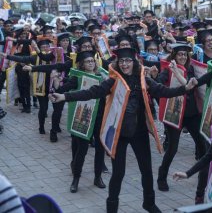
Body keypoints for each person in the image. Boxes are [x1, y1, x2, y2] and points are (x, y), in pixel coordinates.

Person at [50, 47, 198, 213]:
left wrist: (184, 89)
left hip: (140, 132)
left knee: (147, 171)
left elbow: (162, 91)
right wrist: (64, 96)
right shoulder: (113, 81)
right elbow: (92, 92)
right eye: (122, 61)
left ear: (134, 62)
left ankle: (149, 203)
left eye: (128, 61)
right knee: (118, 173)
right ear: (118, 63)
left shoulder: (143, 80)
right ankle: (111, 208)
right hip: (119, 133)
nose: (125, 64)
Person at [156, 43, 208, 204]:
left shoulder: (191, 70)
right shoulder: (167, 70)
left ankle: (202, 176)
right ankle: (162, 177)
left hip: (192, 114)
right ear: (174, 56)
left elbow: (192, 86)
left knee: (203, 145)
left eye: (185, 55)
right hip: (175, 114)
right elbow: (158, 85)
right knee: (172, 148)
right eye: (180, 55)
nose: (183, 57)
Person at [50, 51, 107, 193]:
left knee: (100, 149)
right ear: (81, 64)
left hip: (100, 117)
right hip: (83, 116)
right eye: (87, 61)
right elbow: (62, 90)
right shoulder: (77, 78)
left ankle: (98, 177)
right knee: (82, 149)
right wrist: (56, 81)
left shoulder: (102, 77)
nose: (90, 63)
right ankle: (76, 179)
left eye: (92, 61)